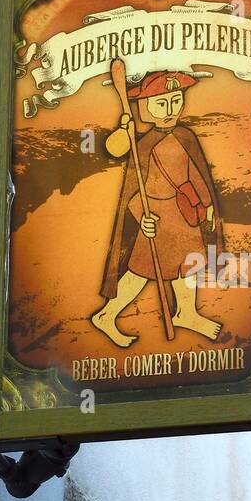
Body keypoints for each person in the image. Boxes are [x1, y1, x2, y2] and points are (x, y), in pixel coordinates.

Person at [92, 70, 224, 347]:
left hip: (185, 217)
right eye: (161, 103)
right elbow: (131, 188)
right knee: (140, 272)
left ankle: (186, 312)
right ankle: (107, 314)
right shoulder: (144, 145)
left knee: (187, 266)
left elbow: (197, 175)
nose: (170, 109)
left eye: (175, 101)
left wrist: (209, 206)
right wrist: (143, 218)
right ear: (145, 108)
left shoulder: (186, 136)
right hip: (159, 220)